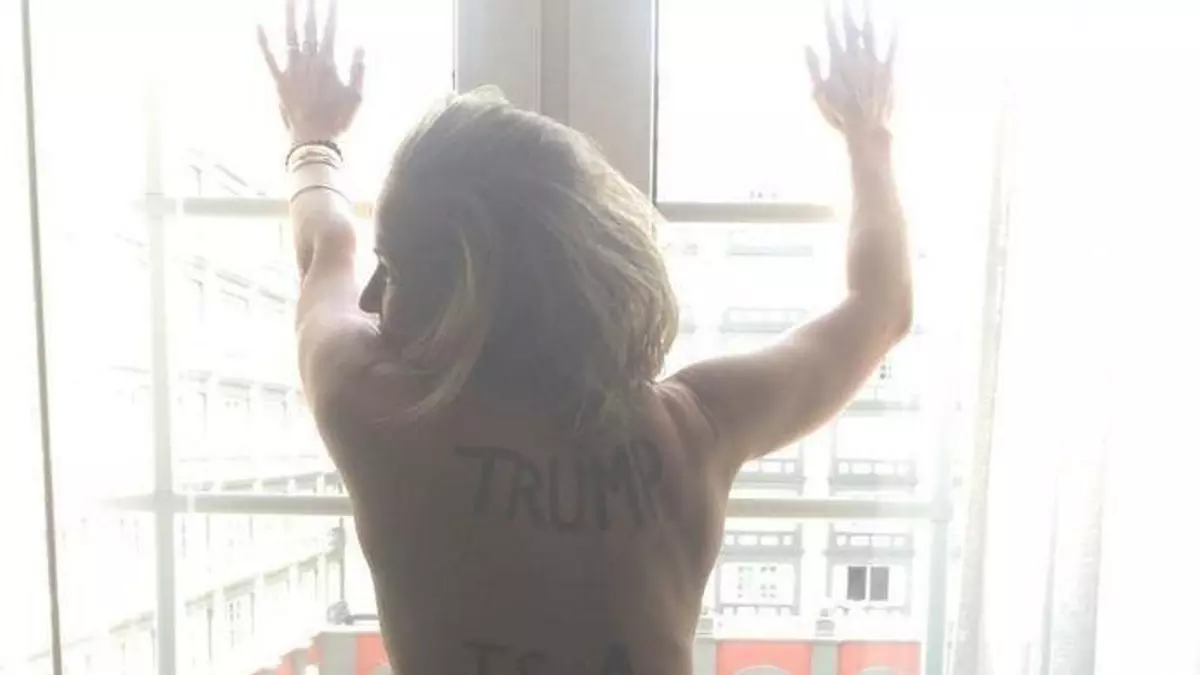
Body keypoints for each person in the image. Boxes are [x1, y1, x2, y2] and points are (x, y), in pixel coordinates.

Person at [256, 0, 910, 673]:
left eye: (393, 270)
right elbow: (879, 307)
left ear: (469, 298)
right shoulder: (695, 430)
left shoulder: (374, 410)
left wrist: (313, 136)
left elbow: (326, 245)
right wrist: (868, 136)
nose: (370, 299)